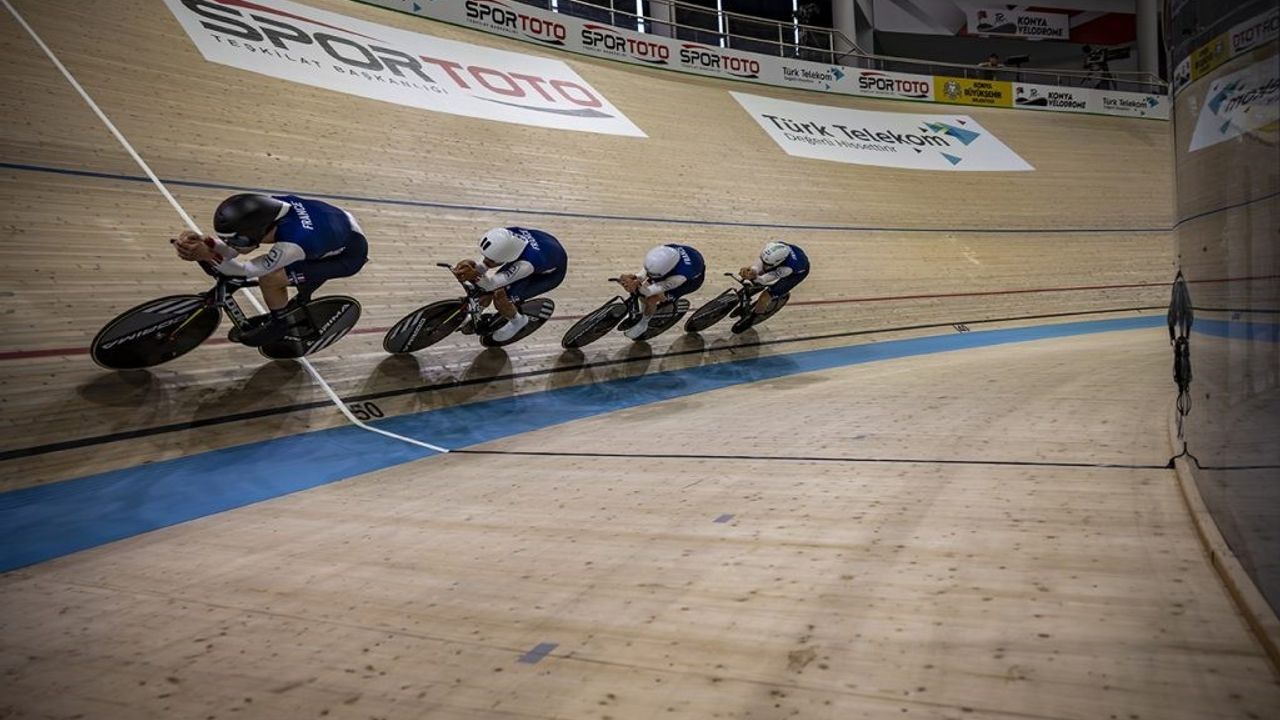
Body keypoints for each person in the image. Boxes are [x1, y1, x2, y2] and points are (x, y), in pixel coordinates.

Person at [173, 193, 369, 345]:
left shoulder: (294, 243)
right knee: (273, 270)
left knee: (271, 279)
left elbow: (243, 270)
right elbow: (235, 249)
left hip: (347, 257)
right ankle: (293, 303)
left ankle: (280, 324)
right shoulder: (272, 207)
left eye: (235, 239)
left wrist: (207, 255)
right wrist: (204, 242)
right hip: (332, 227)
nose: (231, 244)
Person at [452, 226, 567, 342]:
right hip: (545, 248)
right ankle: (477, 311)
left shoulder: (526, 265)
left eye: (491, 260)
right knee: (485, 290)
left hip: (548, 276)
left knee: (500, 295)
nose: (486, 261)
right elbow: (484, 264)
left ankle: (518, 321)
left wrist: (474, 275)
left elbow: (490, 285)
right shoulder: (504, 236)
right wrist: (472, 267)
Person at [618, 244, 705, 340]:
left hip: (687, 283)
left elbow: (649, 291)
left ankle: (643, 324)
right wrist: (637, 278)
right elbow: (647, 271)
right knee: (644, 287)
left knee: (651, 299)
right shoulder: (666, 251)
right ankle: (641, 313)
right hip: (675, 268)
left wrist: (638, 288)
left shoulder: (680, 276)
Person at [739, 240, 810, 315]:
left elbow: (766, 279)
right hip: (785, 260)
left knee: (765, 297)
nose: (765, 265)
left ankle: (755, 316)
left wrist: (757, 278)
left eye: (767, 264)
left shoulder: (788, 269)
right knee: (756, 272)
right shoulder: (772, 245)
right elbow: (761, 261)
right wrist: (753, 270)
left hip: (795, 274)